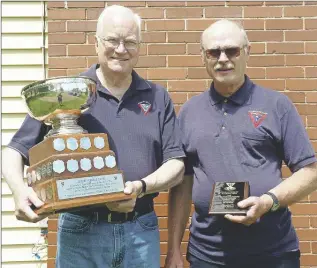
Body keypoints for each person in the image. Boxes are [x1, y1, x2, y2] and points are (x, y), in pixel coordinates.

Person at [2, 5, 185, 268]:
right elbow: (12, 153)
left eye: (130, 42)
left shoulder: (157, 97)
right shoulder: (69, 92)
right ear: (96, 43)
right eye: (112, 40)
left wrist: (140, 186)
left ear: (139, 47)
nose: (121, 49)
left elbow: (176, 164)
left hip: (140, 230)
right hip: (81, 231)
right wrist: (19, 191)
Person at [165, 19, 317, 268]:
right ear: (203, 57)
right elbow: (183, 183)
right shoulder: (190, 112)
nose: (223, 58)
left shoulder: (277, 106)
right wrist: (174, 250)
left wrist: (268, 201)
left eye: (232, 50)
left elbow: (310, 173)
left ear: (247, 52)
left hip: (273, 254)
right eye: (214, 52)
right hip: (207, 255)